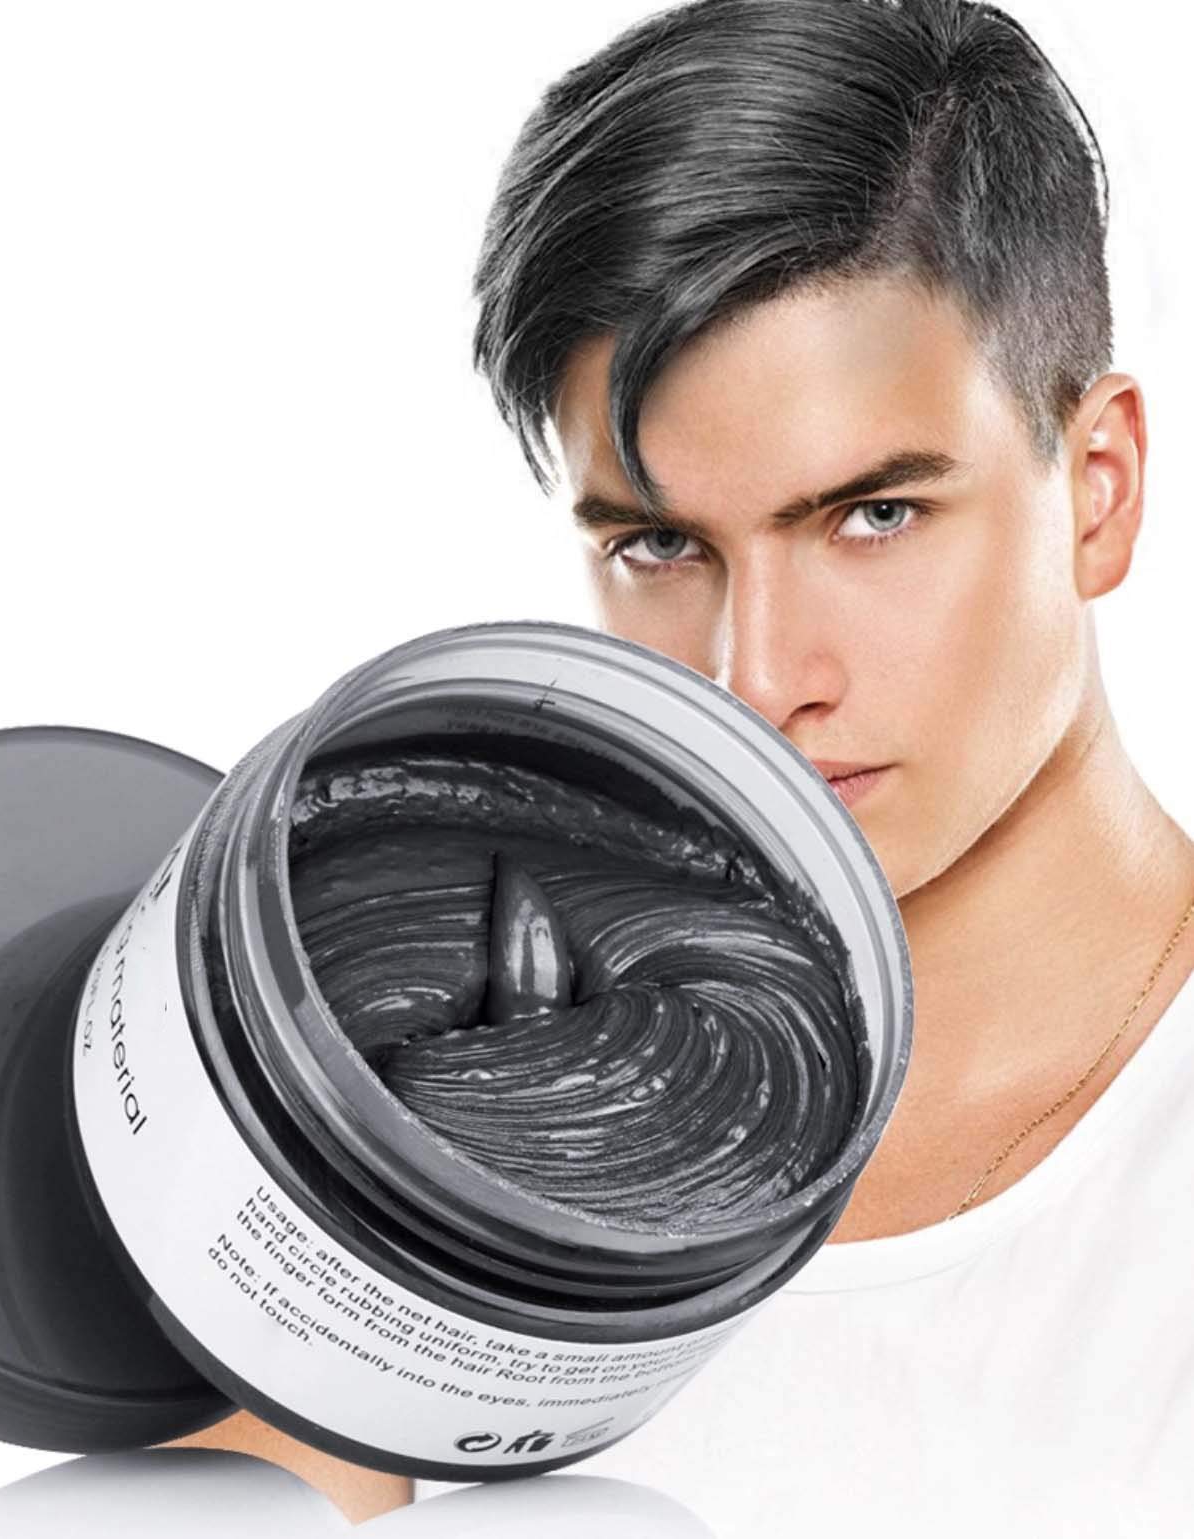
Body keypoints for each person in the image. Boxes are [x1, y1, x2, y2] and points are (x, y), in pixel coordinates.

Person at [407, 0, 1194, 1531]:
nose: (755, 681)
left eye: (874, 517)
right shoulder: (471, 1124)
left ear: (1097, 491)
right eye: (658, 546)